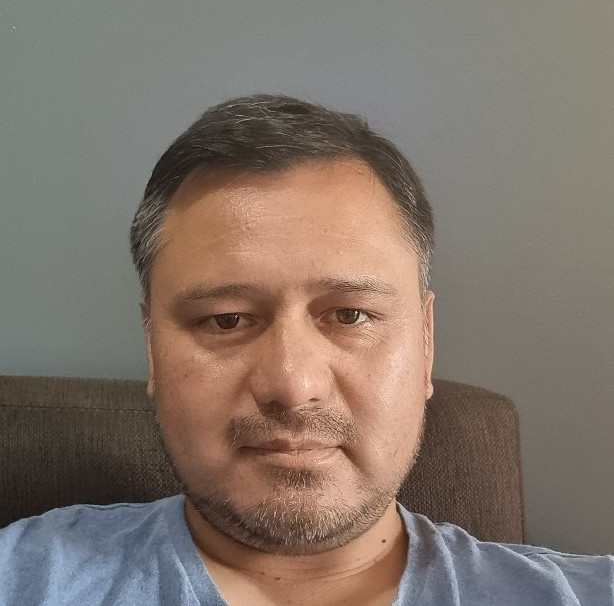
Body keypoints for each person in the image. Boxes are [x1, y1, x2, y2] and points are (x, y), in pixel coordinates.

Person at [0, 94, 612, 606]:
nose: (293, 385)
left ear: (425, 342)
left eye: (350, 315)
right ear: (152, 351)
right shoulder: (27, 576)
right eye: (226, 319)